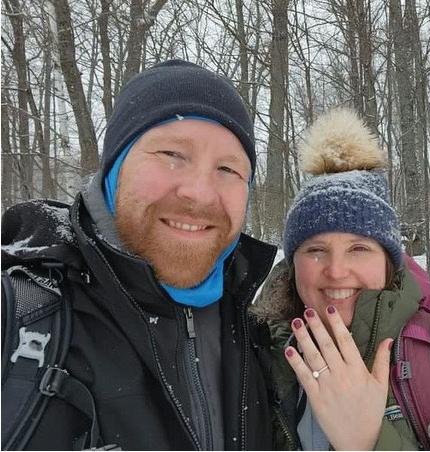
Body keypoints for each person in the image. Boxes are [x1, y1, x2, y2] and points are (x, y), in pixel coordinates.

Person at [1, 60, 278, 450]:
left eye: (228, 169)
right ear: (115, 167)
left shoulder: (261, 333)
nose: (199, 192)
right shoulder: (19, 314)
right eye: (172, 153)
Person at [251, 107, 430, 450]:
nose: (336, 270)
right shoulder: (255, 356)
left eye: (358, 248)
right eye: (316, 250)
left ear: (388, 263)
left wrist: (368, 441)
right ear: (292, 264)